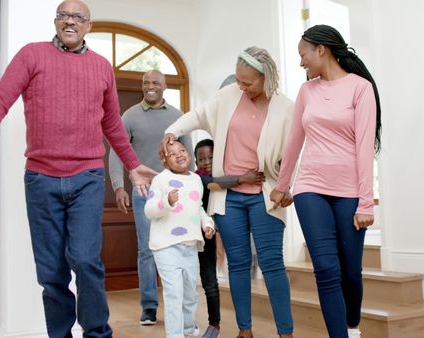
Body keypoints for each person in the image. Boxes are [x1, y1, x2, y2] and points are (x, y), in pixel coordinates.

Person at [0, 1, 156, 337]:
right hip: (41, 179)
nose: (70, 21)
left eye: (78, 17)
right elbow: (0, 97)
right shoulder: (32, 55)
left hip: (87, 177)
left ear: (88, 26)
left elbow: (111, 122)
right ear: (55, 22)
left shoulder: (101, 66)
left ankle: (97, 333)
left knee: (85, 260)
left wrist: (133, 164)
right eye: (63, 15)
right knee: (51, 272)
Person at [161, 46, 295, 338]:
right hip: (229, 197)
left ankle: (286, 333)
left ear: (267, 77)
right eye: (239, 80)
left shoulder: (286, 108)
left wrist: (287, 187)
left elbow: (294, 153)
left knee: (272, 264)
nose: (242, 86)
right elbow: (196, 115)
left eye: (249, 82)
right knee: (238, 263)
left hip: (265, 195)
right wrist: (171, 131)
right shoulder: (228, 96)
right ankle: (244, 331)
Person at [270, 24, 382, 338]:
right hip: (310, 187)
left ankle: (351, 324)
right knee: (326, 268)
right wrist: (283, 185)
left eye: (303, 54)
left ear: (321, 49)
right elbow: (295, 140)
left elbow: (364, 147)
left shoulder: (360, 88)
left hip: (349, 191)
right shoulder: (307, 91)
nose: (301, 62)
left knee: (350, 272)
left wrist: (365, 201)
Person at [108, 69, 193, 325]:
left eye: (155, 82)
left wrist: (192, 192)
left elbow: (187, 154)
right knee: (146, 249)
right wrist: (118, 186)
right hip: (144, 192)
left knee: (179, 247)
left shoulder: (179, 118)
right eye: (146, 83)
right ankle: (148, 307)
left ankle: (179, 308)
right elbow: (116, 151)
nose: (150, 86)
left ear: (164, 85)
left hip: (176, 192)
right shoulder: (130, 115)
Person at [193, 138, 266, 338]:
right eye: (201, 159)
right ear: (196, 163)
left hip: (221, 228)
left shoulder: (226, 174)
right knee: (206, 280)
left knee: (215, 278)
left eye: (211, 157)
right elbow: (214, 184)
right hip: (202, 234)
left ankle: (218, 324)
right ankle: (207, 324)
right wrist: (243, 178)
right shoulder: (198, 178)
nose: (206, 162)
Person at [144, 140, 216, 338]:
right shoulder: (161, 179)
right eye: (172, 153)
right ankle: (175, 334)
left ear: (189, 154)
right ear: (164, 160)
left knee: (190, 293)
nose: (179, 154)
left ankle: (188, 330)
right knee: (174, 293)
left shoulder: (195, 180)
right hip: (165, 246)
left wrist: (207, 224)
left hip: (190, 245)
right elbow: (149, 210)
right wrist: (166, 202)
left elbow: (198, 207)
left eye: (181, 150)